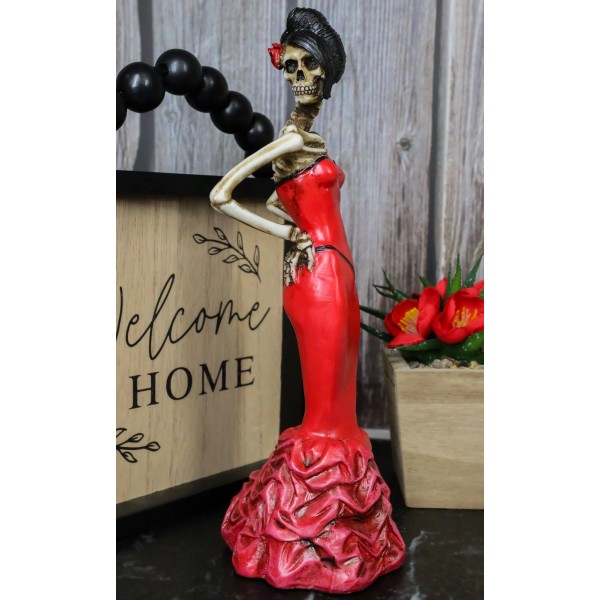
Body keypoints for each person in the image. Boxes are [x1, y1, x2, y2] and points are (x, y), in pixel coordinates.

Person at [210, 8, 405, 593]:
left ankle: (342, 525)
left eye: (310, 67)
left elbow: (281, 199)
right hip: (315, 272)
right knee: (323, 407)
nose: (301, 78)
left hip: (338, 269)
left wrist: (291, 219)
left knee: (343, 399)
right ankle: (307, 527)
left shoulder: (308, 142)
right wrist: (290, 235)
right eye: (292, 66)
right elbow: (223, 196)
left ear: (326, 75)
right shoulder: (293, 140)